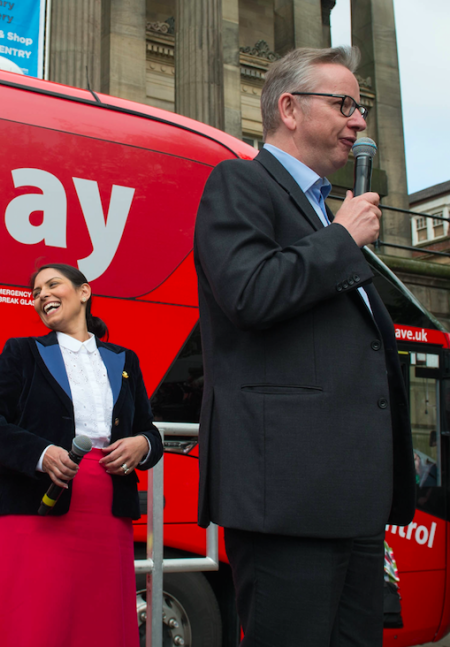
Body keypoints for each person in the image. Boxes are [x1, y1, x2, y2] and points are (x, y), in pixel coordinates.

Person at [193, 46, 414, 646]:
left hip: (349, 503)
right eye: (344, 103)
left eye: (361, 106)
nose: (360, 121)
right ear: (288, 109)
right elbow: (249, 292)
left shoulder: (325, 218)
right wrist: (342, 240)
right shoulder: (238, 183)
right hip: (286, 498)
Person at [0, 263, 163, 647]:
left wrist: (142, 446)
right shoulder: (23, 352)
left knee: (100, 620)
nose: (42, 295)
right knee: (33, 620)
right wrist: (40, 453)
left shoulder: (125, 360)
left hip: (108, 507)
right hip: (34, 504)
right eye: (37, 292)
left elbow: (149, 431)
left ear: (84, 292)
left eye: (52, 285)